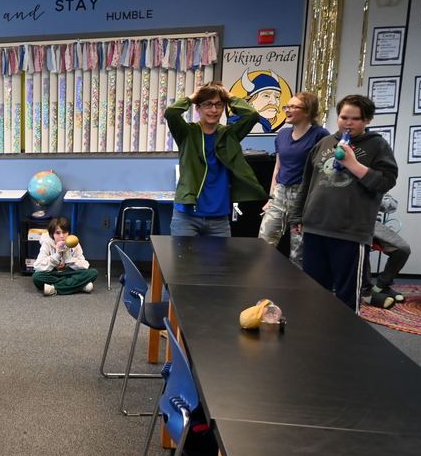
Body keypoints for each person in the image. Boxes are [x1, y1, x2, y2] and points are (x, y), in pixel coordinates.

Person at [291, 95, 398, 311]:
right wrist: (297, 215)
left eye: (355, 119)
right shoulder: (324, 143)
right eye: (343, 117)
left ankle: (346, 340)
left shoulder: (377, 145)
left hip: (350, 232)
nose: (347, 123)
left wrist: (353, 164)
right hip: (316, 228)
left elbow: (386, 182)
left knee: (346, 296)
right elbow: (307, 183)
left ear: (367, 120)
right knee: (313, 291)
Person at [165, 81, 266, 237]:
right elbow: (171, 113)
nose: (214, 110)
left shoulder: (229, 134)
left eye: (218, 105)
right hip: (187, 217)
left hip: (219, 218)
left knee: (219, 262)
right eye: (208, 104)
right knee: (184, 262)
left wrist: (228, 96)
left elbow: (252, 115)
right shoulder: (187, 133)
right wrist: (192, 97)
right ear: (198, 108)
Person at [258, 92, 331, 266]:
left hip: (303, 196)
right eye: (286, 106)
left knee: (298, 251)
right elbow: (278, 166)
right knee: (263, 243)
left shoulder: (320, 135)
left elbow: (323, 171)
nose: (287, 110)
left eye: (293, 107)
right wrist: (271, 197)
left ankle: (297, 290)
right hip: (280, 193)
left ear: (307, 111)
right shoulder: (282, 134)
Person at [32, 217, 97, 295]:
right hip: (54, 274)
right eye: (58, 233)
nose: (62, 236)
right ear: (52, 234)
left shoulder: (74, 243)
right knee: (36, 277)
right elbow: (37, 266)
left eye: (65, 232)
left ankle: (54, 288)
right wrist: (57, 255)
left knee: (93, 272)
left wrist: (68, 258)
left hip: (69, 273)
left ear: (68, 233)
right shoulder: (47, 244)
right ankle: (79, 286)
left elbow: (85, 265)